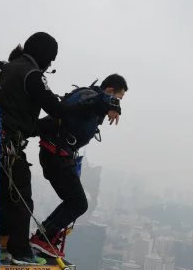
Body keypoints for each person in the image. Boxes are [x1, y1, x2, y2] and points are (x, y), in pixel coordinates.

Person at [29, 74, 128, 258]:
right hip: (55, 155)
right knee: (78, 203)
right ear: (109, 91)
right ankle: (43, 238)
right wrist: (111, 103)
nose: (118, 102)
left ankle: (44, 236)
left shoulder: (93, 101)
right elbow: (84, 105)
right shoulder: (89, 97)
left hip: (58, 156)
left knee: (73, 202)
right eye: (118, 97)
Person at [0, 32, 68, 265]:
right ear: (44, 54)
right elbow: (55, 109)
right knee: (20, 197)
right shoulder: (32, 74)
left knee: (3, 196)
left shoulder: (9, 67)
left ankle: (1, 241)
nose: (51, 63)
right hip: (7, 146)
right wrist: (71, 108)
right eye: (52, 57)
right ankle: (19, 251)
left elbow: (19, 115)